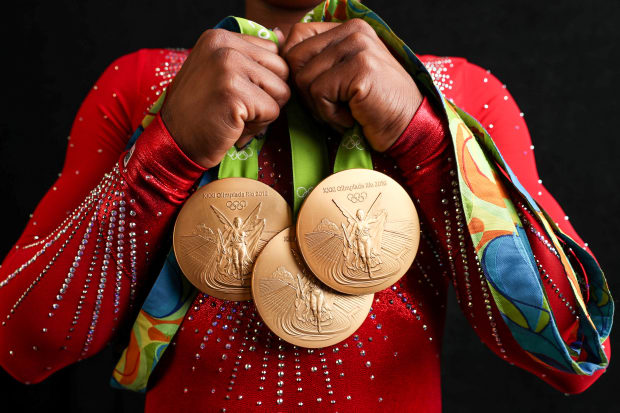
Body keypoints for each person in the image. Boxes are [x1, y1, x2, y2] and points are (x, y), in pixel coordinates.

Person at [0, 0, 611, 411]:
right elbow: (20, 345)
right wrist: (167, 152)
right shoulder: (144, 86)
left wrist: (421, 134)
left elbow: (575, 355)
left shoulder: (458, 96)